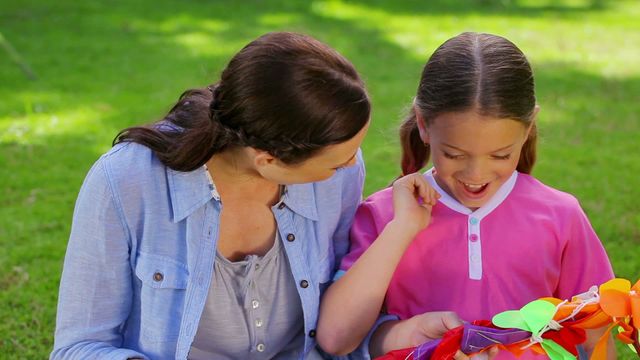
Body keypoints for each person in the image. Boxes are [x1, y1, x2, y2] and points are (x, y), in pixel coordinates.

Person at [51, 31, 378, 360]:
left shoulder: (341, 176)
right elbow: (78, 348)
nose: (351, 163)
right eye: (336, 163)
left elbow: (341, 313)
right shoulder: (125, 181)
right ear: (268, 160)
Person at [316, 32, 615, 359]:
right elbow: (336, 339)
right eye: (455, 155)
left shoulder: (560, 215)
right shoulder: (385, 215)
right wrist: (402, 229)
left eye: (500, 155)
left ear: (528, 128)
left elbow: (594, 336)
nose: (476, 175)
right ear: (423, 125)